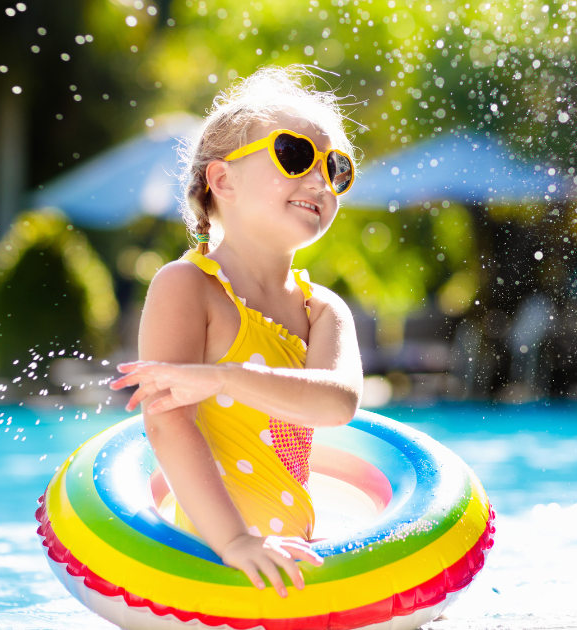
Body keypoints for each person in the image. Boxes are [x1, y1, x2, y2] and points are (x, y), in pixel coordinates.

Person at [110, 65, 364, 600]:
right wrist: (235, 541)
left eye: (335, 167)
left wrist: (224, 378)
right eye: (294, 155)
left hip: (289, 556)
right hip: (208, 558)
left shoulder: (323, 311)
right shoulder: (187, 287)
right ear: (223, 180)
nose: (319, 180)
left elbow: (336, 404)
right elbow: (166, 425)